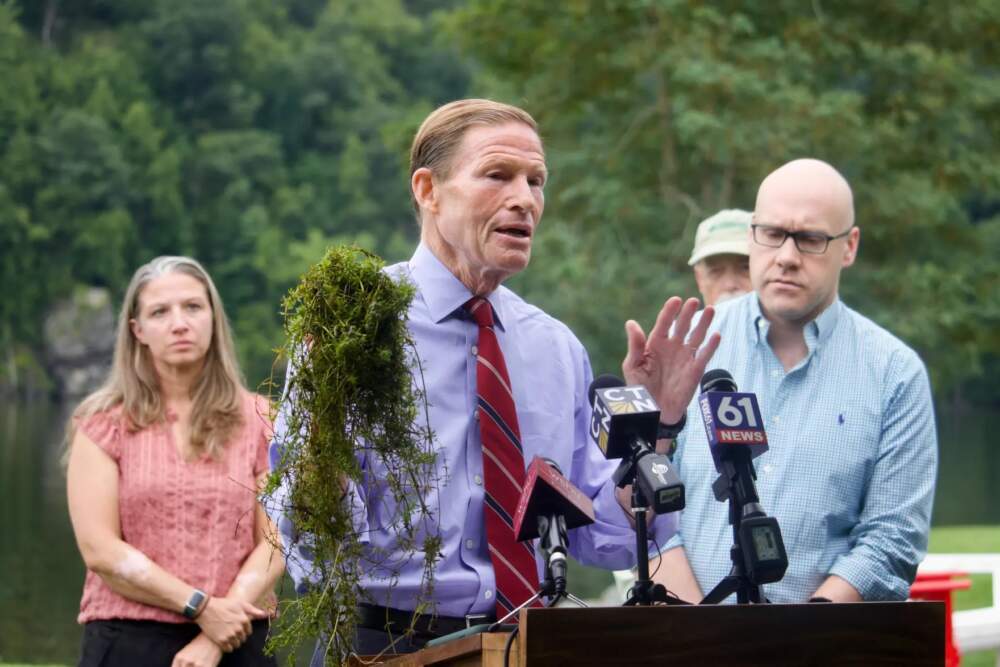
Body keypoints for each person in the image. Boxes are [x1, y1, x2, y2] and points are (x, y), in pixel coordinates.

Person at [270, 99, 719, 659]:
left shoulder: (555, 349)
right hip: (381, 647)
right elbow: (309, 544)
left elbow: (605, 537)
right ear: (428, 190)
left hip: (525, 645)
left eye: (536, 181)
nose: (525, 199)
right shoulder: (354, 331)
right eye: (497, 176)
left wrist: (655, 430)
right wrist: (323, 440)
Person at [651, 159, 938, 604]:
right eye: (772, 233)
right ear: (751, 234)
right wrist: (698, 630)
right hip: (687, 638)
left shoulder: (894, 374)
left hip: (824, 649)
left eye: (810, 239)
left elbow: (891, 541)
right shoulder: (690, 347)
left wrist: (799, 642)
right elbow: (650, 510)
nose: (786, 256)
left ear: (849, 246)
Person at [66, 256, 285, 667]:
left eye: (192, 307)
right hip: (128, 641)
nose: (179, 323)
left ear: (214, 319)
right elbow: (100, 550)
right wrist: (201, 607)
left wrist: (218, 632)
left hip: (239, 641)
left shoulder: (262, 420)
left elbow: (275, 542)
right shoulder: (101, 426)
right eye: (160, 312)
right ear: (138, 330)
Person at [689, 209, 752, 306]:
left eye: (745, 268)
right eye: (715, 271)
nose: (730, 285)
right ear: (699, 279)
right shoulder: (687, 322)